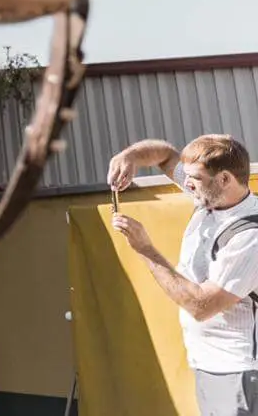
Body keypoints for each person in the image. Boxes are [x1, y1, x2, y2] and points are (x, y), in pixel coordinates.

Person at [109, 134, 258, 415]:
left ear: (225, 179)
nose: (186, 184)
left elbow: (201, 306)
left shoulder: (250, 236)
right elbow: (164, 154)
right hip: (209, 364)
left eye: (195, 178)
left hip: (239, 371)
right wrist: (129, 157)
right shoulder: (209, 195)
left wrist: (145, 249)